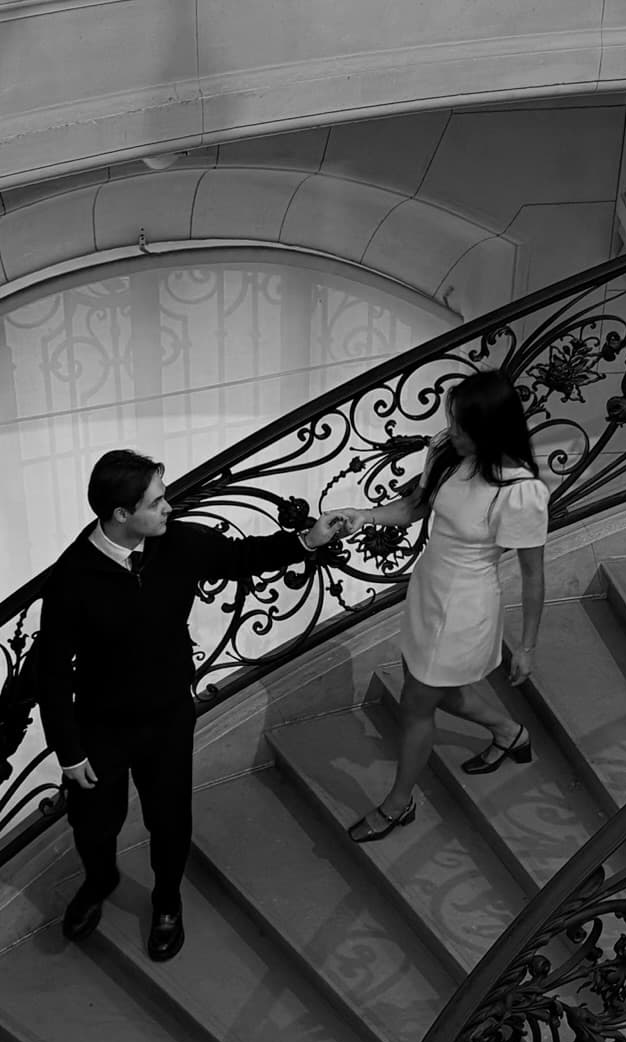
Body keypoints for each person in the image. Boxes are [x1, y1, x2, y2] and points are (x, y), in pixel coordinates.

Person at [37, 450, 351, 961]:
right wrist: (70, 753)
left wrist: (307, 540)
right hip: (102, 727)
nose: (169, 508)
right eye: (157, 501)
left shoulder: (175, 542)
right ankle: (99, 881)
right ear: (121, 514)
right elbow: (51, 672)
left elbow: (242, 558)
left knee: (170, 818)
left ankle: (166, 901)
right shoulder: (72, 579)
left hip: (166, 717)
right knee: (93, 824)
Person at [341, 371, 550, 841]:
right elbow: (417, 507)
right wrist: (363, 516)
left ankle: (399, 804)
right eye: (453, 423)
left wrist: (529, 645)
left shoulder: (521, 493)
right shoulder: (450, 454)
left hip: (464, 609)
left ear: (491, 430)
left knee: (417, 701)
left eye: (461, 427)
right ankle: (510, 733)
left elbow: (534, 574)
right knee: (431, 687)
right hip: (428, 588)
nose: (450, 433)